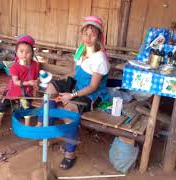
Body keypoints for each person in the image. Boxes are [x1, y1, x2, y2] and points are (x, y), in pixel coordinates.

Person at [39, 16, 110, 169]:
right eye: (85, 33)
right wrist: (61, 82)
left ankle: (70, 153)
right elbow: (74, 72)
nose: (88, 38)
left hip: (91, 94)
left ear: (99, 36)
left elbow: (92, 87)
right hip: (78, 85)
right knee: (50, 89)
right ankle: (46, 127)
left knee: (68, 113)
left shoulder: (100, 59)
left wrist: (70, 96)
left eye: (92, 34)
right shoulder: (81, 51)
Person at [0, 34, 40, 139]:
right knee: (1, 105)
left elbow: (36, 78)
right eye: (21, 51)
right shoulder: (15, 66)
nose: (24, 54)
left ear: (32, 53)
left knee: (27, 108)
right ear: (16, 52)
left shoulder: (35, 65)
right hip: (12, 92)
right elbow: (15, 82)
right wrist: (29, 83)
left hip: (25, 94)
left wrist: (36, 84)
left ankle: (26, 128)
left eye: (28, 52)